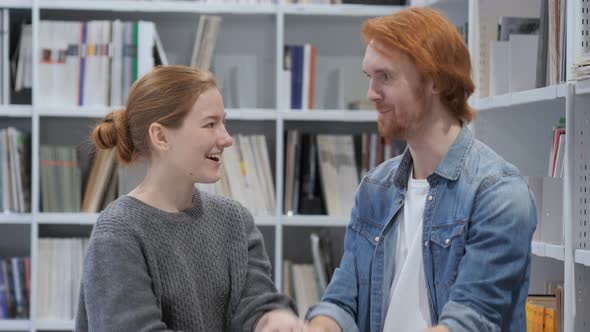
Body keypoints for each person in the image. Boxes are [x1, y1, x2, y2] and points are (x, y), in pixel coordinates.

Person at [305, 7, 537, 332]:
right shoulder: (375, 188)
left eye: (385, 76)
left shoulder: (499, 192)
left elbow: (471, 321)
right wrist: (320, 325)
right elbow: (343, 300)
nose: (371, 93)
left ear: (434, 81)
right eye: (368, 77)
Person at [75, 65, 307, 332]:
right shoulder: (118, 232)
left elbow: (256, 305)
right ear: (160, 136)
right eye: (210, 124)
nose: (227, 138)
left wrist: (273, 319)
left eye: (223, 122)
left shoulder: (235, 220)